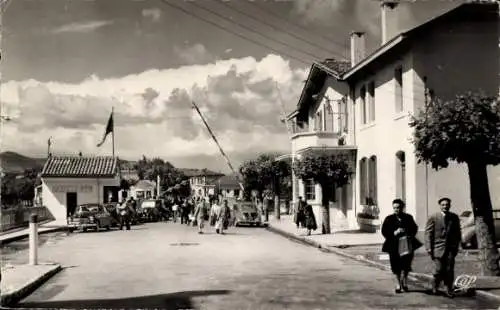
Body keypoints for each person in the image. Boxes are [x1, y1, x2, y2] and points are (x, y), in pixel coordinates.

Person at [381, 199, 422, 293]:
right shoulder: (389, 218)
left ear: (402, 207)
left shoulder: (408, 217)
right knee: (395, 265)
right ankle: (398, 283)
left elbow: (414, 228)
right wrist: (394, 232)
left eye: (398, 207)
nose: (396, 209)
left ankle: (404, 281)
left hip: (406, 244)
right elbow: (384, 231)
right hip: (394, 245)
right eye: (394, 208)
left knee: (406, 264)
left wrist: (406, 231)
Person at [425, 197, 461, 297]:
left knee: (449, 269)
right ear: (440, 206)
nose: (445, 206)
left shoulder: (454, 217)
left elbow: (457, 232)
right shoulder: (434, 217)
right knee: (439, 269)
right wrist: (428, 247)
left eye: (447, 204)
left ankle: (448, 289)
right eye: (443, 205)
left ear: (450, 205)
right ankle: (435, 286)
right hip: (437, 248)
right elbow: (428, 233)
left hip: (450, 248)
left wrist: (457, 246)